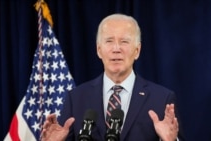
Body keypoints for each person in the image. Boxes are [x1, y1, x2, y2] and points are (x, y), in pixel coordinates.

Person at [41, 13, 185, 141]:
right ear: (99, 50)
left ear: (137, 50)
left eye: (124, 41)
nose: (116, 49)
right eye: (109, 41)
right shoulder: (76, 98)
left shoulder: (161, 99)